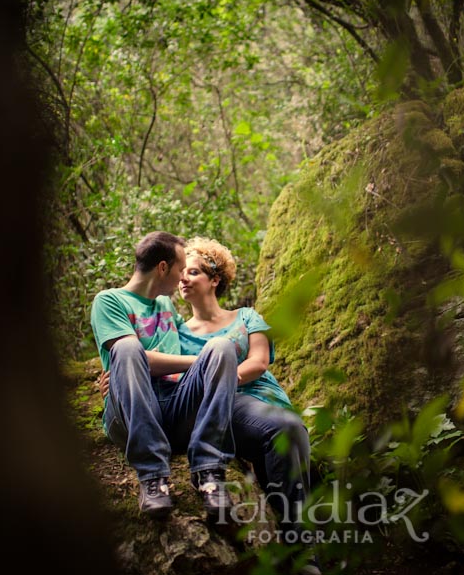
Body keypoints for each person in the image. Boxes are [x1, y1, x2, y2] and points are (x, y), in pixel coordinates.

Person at [90, 231, 239, 519]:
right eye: (181, 269)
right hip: (131, 415)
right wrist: (198, 361)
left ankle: (208, 472)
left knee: (222, 347)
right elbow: (135, 358)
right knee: (127, 346)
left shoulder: (166, 305)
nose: (183, 277)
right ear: (162, 268)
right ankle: (153, 477)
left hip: (174, 409)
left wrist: (217, 354)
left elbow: (195, 342)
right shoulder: (109, 301)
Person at [178, 237, 312, 542]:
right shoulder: (177, 332)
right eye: (181, 273)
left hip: (258, 398)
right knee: (284, 433)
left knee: (289, 431)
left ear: (215, 280)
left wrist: (222, 375)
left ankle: (300, 549)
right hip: (219, 407)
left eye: (193, 272)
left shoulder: (246, 317)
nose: (183, 278)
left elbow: (259, 362)